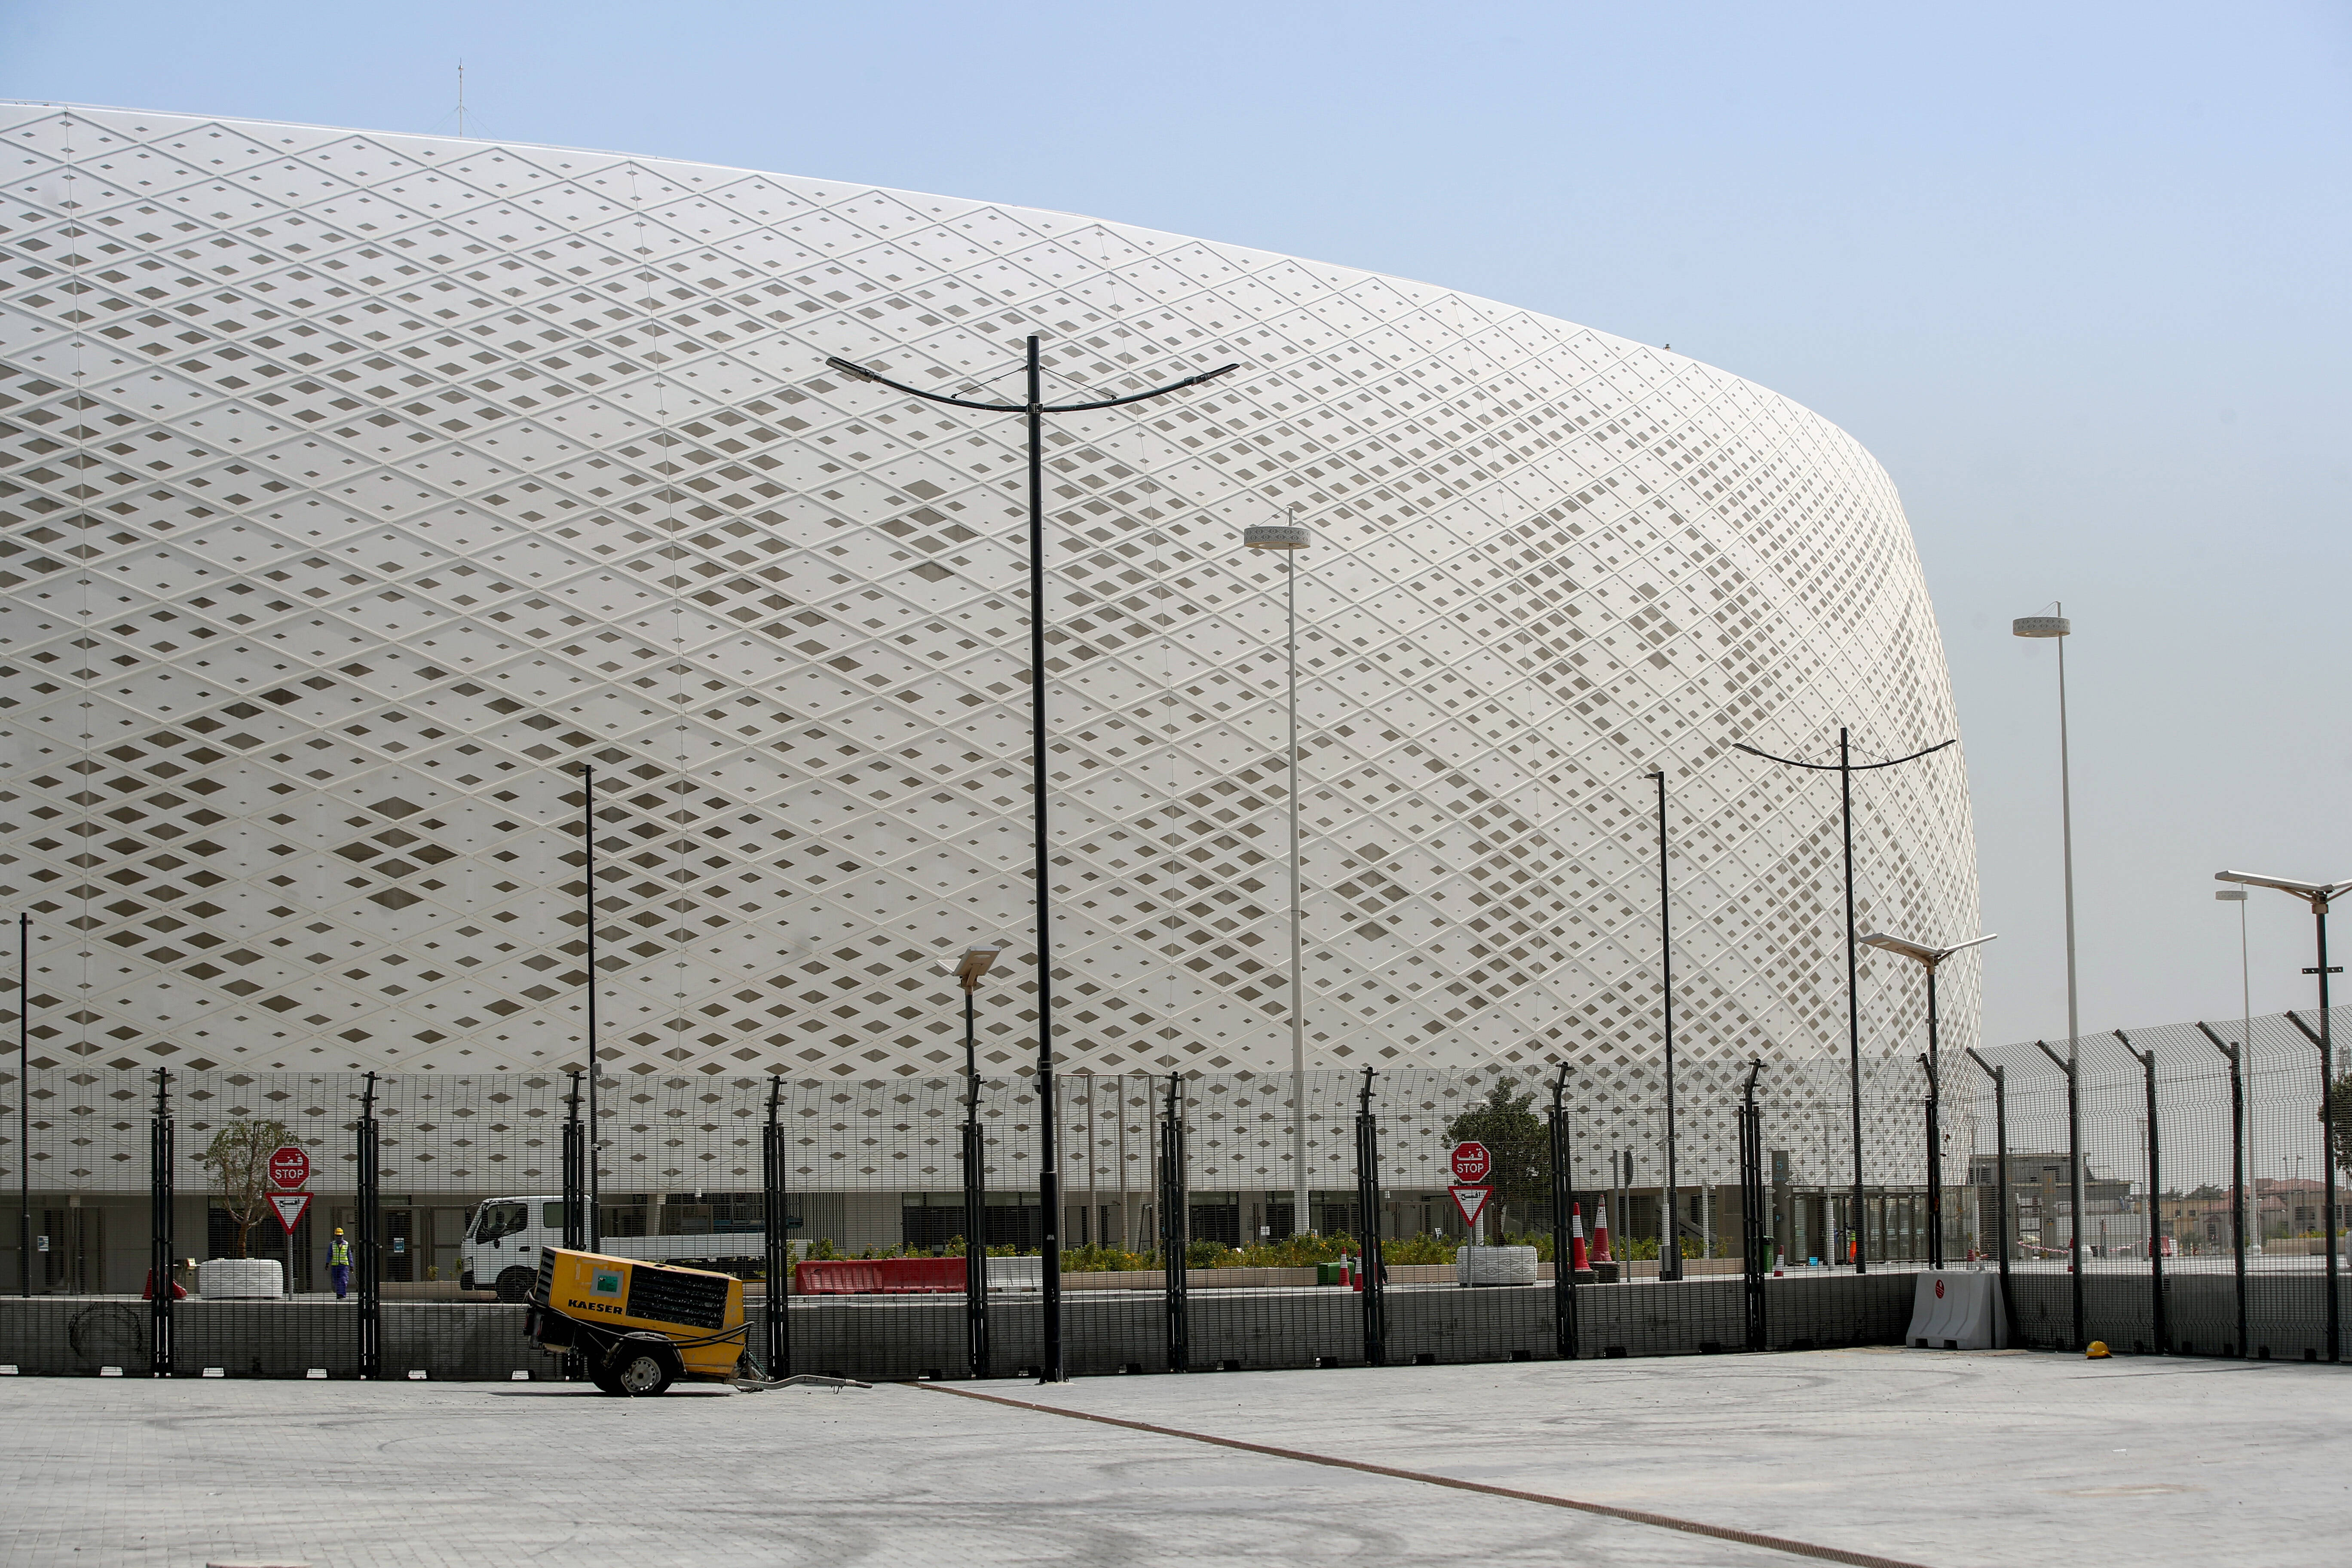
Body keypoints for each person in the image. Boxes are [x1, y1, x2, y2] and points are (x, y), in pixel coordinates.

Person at [328, 1227, 352, 1300]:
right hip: (335, 1265)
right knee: (336, 1280)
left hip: (344, 1265)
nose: (339, 1237)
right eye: (338, 1236)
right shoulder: (332, 1244)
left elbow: (349, 1255)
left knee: (343, 1279)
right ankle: (339, 1293)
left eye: (340, 1236)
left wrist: (351, 1265)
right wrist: (327, 1263)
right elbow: (330, 1254)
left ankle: (342, 1294)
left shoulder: (346, 1244)